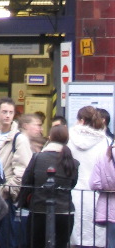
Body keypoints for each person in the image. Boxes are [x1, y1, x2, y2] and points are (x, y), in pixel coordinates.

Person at [20, 124, 79, 248]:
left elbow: (26, 181)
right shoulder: (73, 162)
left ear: (50, 137)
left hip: (39, 210)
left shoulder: (38, 158)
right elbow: (72, 184)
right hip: (65, 212)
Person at [0, 97, 32, 248]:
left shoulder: (19, 139)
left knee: (7, 238)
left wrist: (7, 189)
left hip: (6, 196)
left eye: (11, 112)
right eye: (4, 112)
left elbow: (23, 170)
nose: (7, 115)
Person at [68, 105, 108, 248]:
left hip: (73, 193)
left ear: (81, 120)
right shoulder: (105, 142)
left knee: (75, 235)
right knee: (95, 237)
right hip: (97, 195)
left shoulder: (69, 139)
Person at [89, 138, 115, 248]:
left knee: (111, 241)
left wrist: (108, 187)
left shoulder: (103, 155)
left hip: (110, 207)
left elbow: (94, 183)